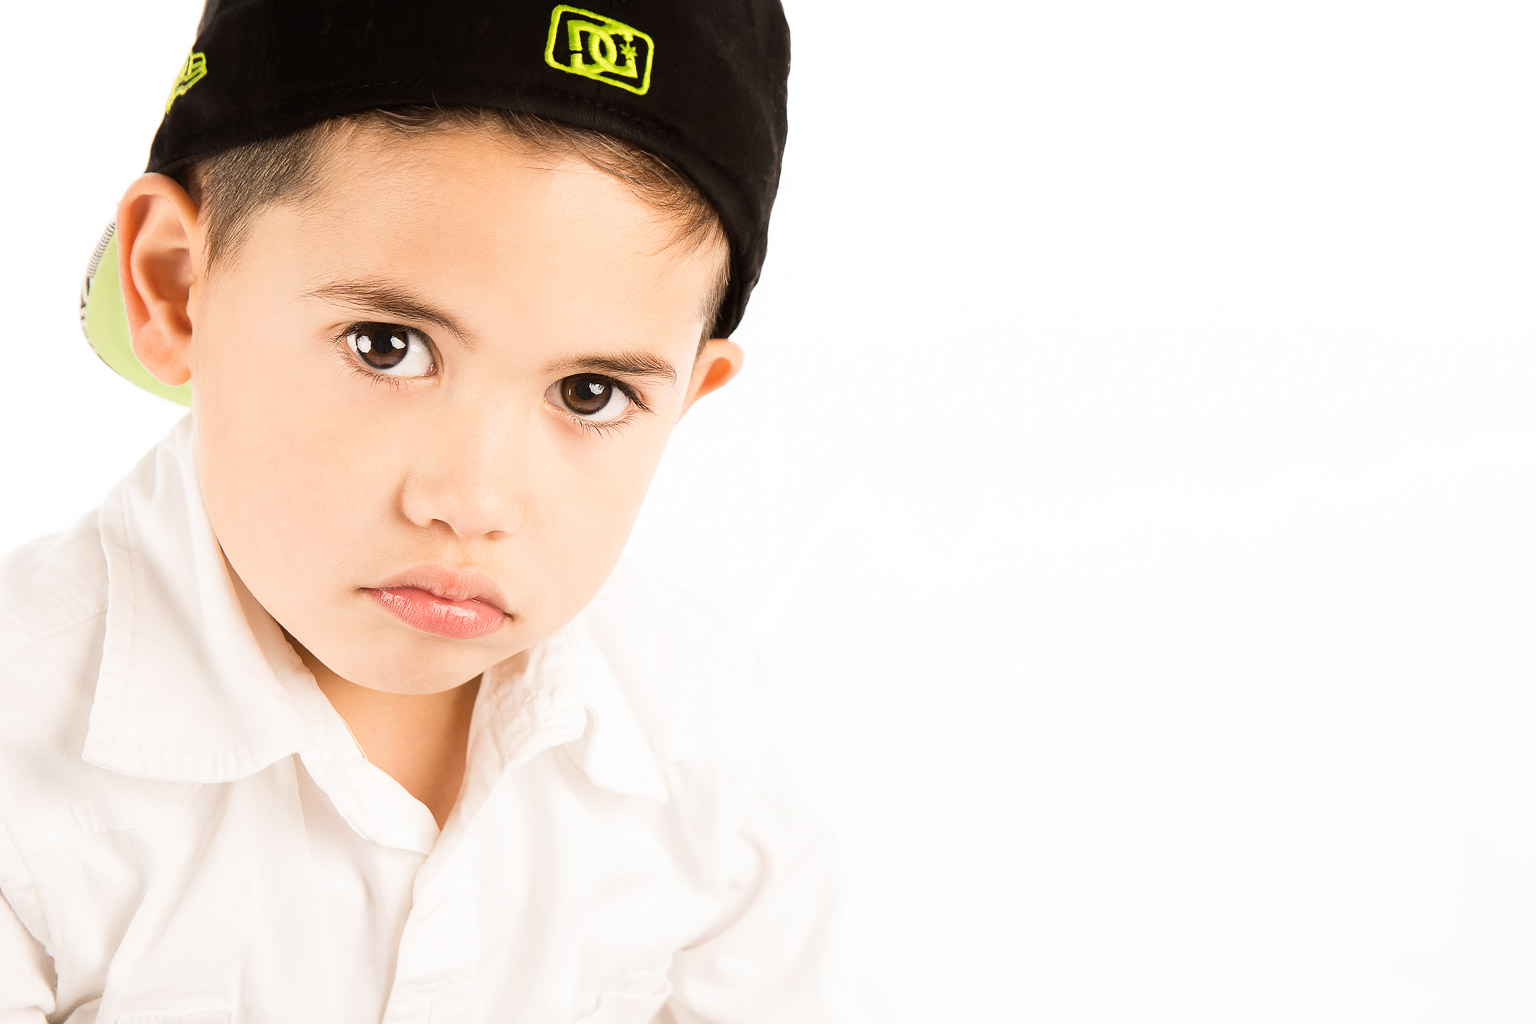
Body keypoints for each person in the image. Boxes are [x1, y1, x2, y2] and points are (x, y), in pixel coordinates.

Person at [0, 1, 877, 1020]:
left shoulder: (696, 730)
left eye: (590, 392)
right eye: (388, 346)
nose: (474, 501)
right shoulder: (24, 767)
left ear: (688, 395)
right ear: (176, 286)